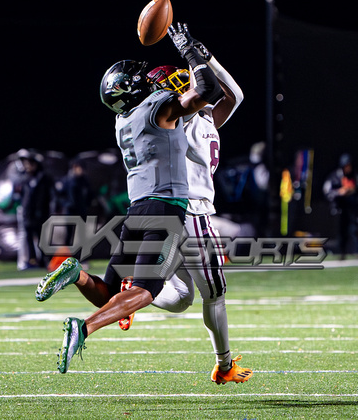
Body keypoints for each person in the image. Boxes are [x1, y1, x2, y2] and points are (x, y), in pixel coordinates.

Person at [35, 23, 227, 376]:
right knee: (145, 291)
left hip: (137, 208)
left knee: (111, 291)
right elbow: (209, 90)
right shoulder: (159, 109)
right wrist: (189, 50)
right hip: (166, 208)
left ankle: (77, 273)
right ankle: (86, 327)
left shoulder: (123, 120)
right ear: (135, 87)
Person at [144, 29, 253, 384]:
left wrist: (206, 57)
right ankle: (224, 366)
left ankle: (132, 291)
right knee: (215, 293)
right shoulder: (175, 120)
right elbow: (220, 92)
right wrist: (193, 55)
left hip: (176, 212)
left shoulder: (201, 118)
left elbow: (234, 94)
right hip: (192, 212)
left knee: (179, 297)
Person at [15, 149, 52, 270]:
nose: (27, 166)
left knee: (42, 238)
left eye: (29, 164)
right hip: (27, 213)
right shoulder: (24, 179)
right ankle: (32, 260)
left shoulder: (42, 178)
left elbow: (48, 195)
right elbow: (21, 196)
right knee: (28, 238)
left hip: (40, 213)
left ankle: (45, 260)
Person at [323, 153, 358, 258]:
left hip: (351, 210)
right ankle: (340, 252)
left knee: (352, 231)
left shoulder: (354, 177)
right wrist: (339, 192)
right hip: (339, 210)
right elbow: (326, 191)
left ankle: (354, 252)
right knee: (340, 232)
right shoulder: (334, 176)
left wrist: (351, 191)